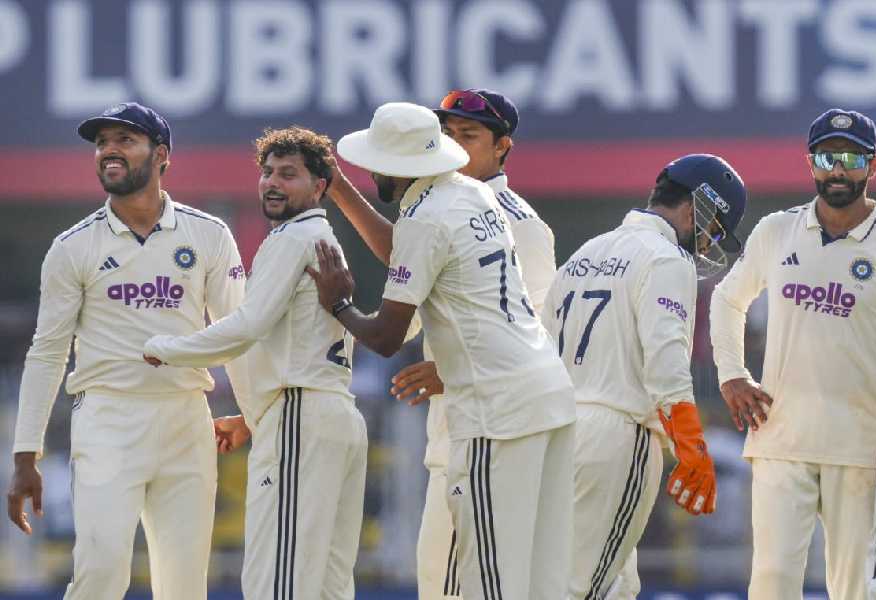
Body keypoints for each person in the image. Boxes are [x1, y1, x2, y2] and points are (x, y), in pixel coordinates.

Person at [308, 101, 576, 600]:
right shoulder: (473, 194)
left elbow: (388, 337)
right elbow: (411, 250)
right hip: (549, 397)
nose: (370, 174)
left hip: (497, 410)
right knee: (542, 580)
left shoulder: (427, 219)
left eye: (374, 165)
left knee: (485, 581)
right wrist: (340, 188)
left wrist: (340, 303)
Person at [5, 102, 249, 599]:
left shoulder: (208, 234)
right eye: (101, 143)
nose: (109, 151)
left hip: (186, 419)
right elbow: (47, 352)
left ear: (161, 155)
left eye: (124, 141)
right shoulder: (73, 247)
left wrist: (249, 408)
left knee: (183, 586)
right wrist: (25, 455)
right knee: (100, 572)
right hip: (108, 418)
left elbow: (238, 330)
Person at [142, 126, 367, 600]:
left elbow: (247, 326)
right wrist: (253, 414)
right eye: (267, 172)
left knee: (276, 584)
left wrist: (164, 348)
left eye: (289, 174)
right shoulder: (320, 237)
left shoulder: (292, 237)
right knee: (327, 586)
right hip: (331, 415)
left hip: (301, 419)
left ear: (320, 186)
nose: (272, 183)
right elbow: (297, 342)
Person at [709, 108, 876, 600]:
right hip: (781, 437)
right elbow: (729, 298)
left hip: (863, 448)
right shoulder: (778, 231)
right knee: (771, 584)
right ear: (810, 163)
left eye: (851, 158)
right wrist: (732, 374)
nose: (838, 169)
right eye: (827, 157)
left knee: (859, 588)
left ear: (873, 166)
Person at [543, 154, 746, 600]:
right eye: (713, 232)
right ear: (696, 210)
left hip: (556, 431)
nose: (709, 246)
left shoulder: (585, 253)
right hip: (618, 436)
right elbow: (666, 365)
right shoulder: (666, 258)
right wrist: (690, 447)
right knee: (581, 589)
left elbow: (540, 348)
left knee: (613, 583)